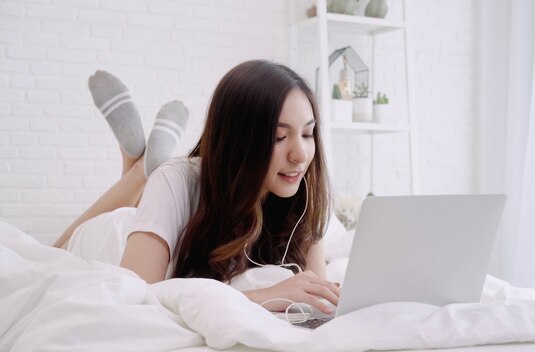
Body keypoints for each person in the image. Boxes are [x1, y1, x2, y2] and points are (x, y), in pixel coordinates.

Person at [53, 60, 340, 314]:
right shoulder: (176, 181)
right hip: (116, 241)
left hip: (158, 219)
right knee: (49, 254)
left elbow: (318, 295)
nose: (300, 155)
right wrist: (261, 297)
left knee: (148, 196)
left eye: (307, 133)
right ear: (238, 141)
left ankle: (137, 165)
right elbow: (135, 297)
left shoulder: (302, 194)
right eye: (279, 137)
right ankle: (140, 171)